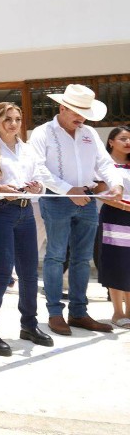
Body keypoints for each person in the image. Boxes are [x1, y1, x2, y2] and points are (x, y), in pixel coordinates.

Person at [29, 84, 123, 336]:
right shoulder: (42, 132)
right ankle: (55, 313)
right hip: (56, 198)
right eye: (77, 112)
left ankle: (79, 313)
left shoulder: (89, 133)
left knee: (82, 258)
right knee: (56, 255)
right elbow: (37, 169)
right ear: (62, 107)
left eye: (85, 113)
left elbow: (105, 163)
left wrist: (116, 184)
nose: (81, 118)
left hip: (87, 198)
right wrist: (68, 190)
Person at [0, 103, 53, 357]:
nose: (13, 124)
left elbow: (40, 178)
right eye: (8, 119)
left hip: (25, 211)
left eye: (18, 119)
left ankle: (29, 325)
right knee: (1, 273)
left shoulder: (27, 149)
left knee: (29, 272)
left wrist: (37, 187)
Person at [97, 126, 130, 329]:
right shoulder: (105, 164)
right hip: (115, 216)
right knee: (116, 262)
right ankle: (118, 312)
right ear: (111, 141)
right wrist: (125, 207)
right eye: (123, 138)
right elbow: (101, 193)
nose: (128, 142)